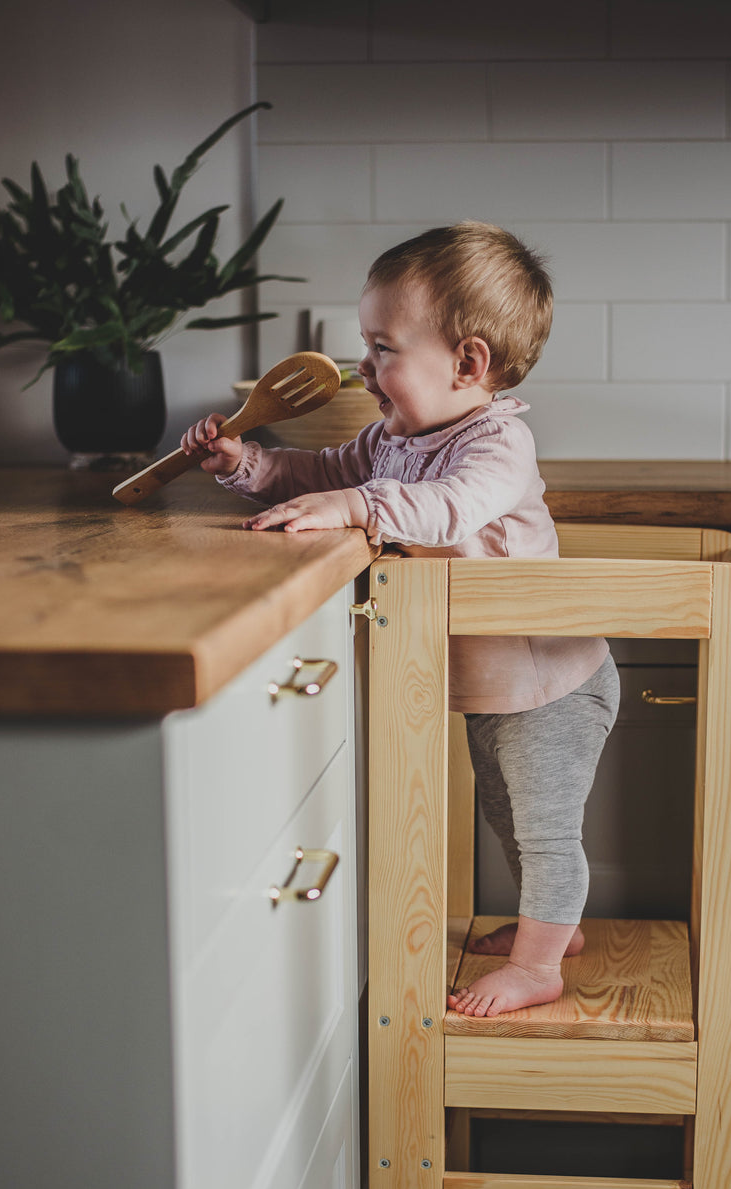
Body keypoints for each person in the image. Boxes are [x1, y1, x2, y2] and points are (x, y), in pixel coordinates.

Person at [181, 221, 620, 1018]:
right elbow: (316, 471)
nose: (363, 366)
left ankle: (540, 966)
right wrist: (244, 463)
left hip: (552, 679)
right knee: (506, 816)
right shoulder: (392, 438)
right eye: (366, 344)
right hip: (492, 685)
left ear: (469, 362)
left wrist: (355, 503)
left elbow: (448, 509)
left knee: (547, 829)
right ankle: (554, 930)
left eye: (384, 348)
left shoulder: (497, 444)